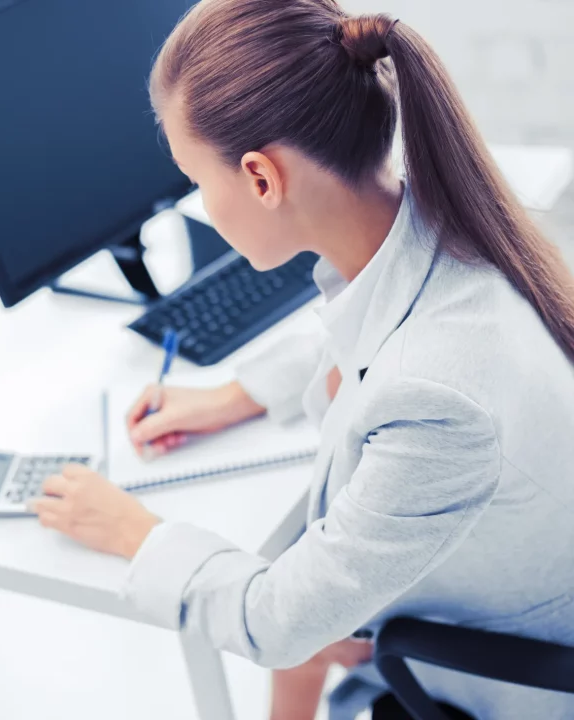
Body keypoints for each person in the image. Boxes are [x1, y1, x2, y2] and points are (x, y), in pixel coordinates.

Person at [30, 2, 574, 718]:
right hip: (497, 577)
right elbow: (372, 321)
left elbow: (275, 624)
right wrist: (237, 394)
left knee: (292, 607)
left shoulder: (438, 400)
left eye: (198, 181)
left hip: (503, 666)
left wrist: (135, 531)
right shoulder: (443, 219)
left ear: (260, 178)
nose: (199, 202)